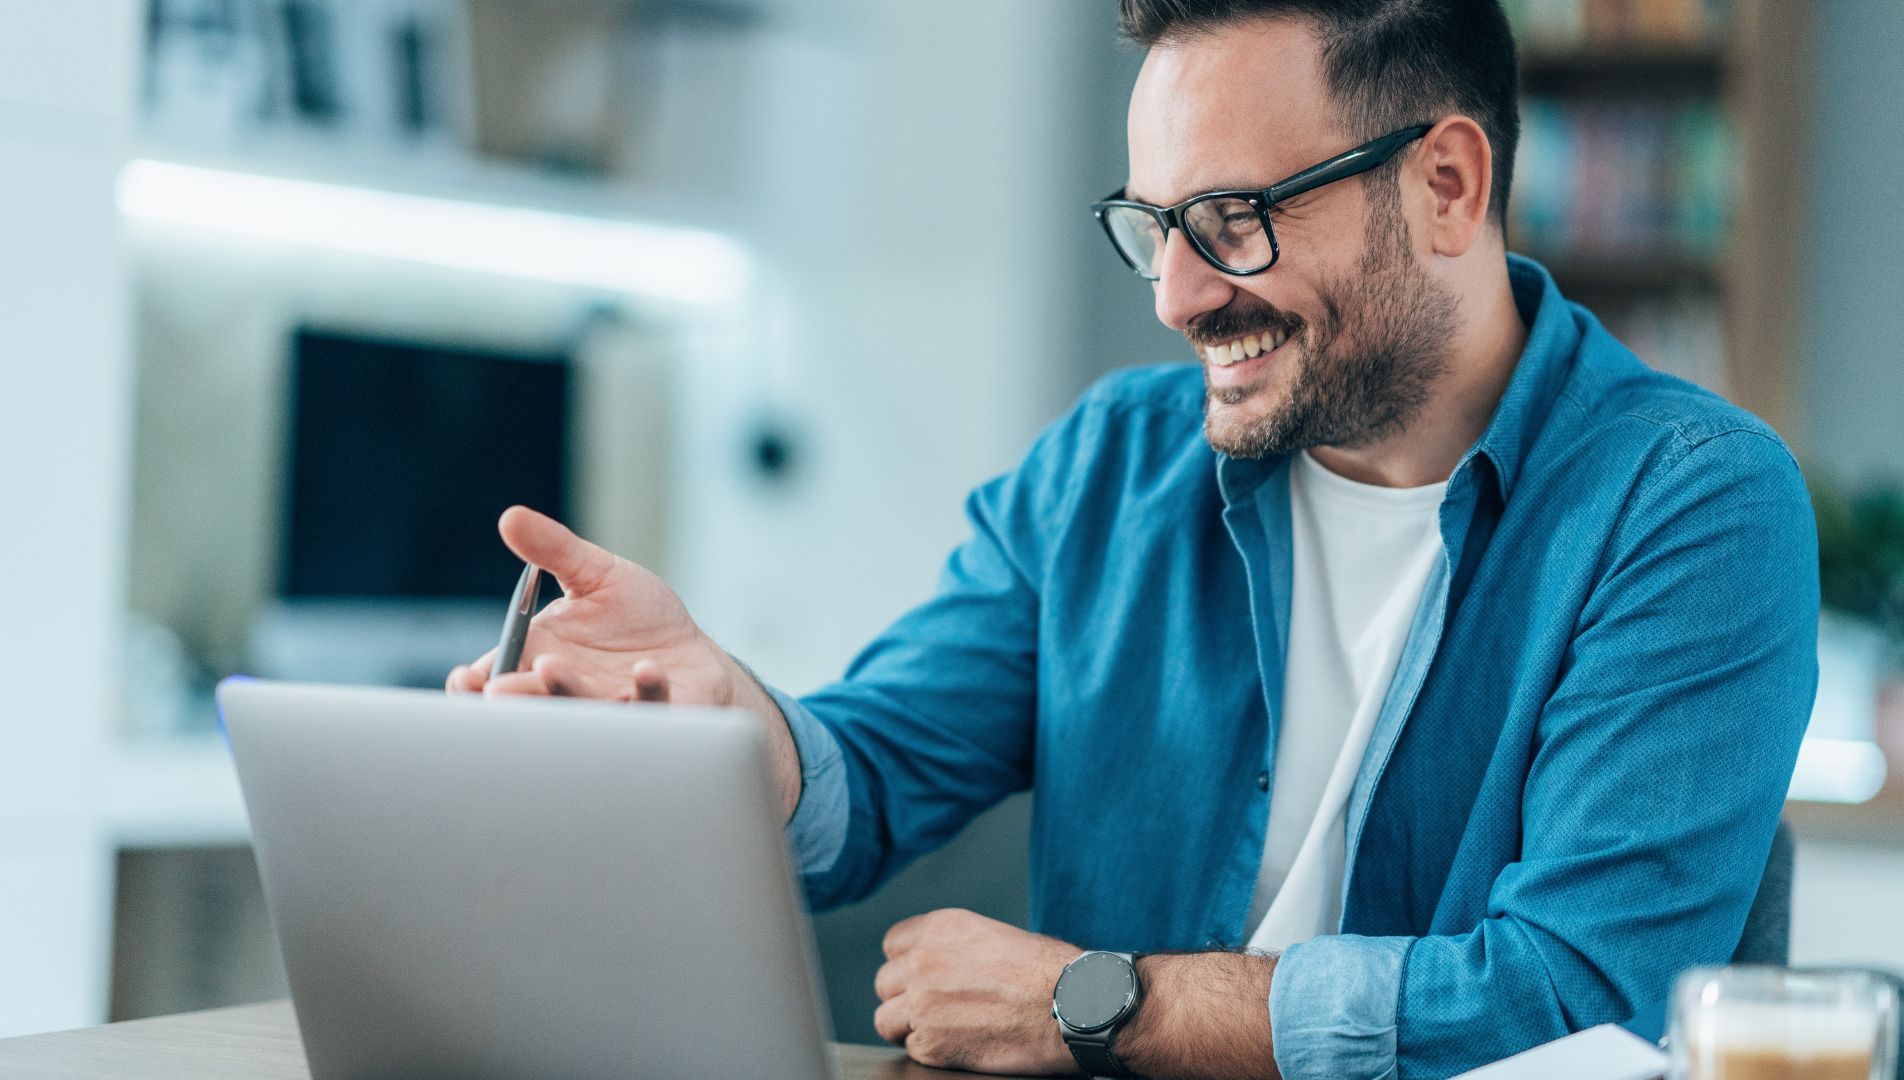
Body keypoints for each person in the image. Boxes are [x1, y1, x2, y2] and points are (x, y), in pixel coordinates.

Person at [449, 1, 1819, 1076]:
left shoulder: (1690, 504)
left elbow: (1577, 1002)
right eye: (1154, 225)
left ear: (1448, 184)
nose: (1174, 297)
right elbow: (865, 782)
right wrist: (719, 717)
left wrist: (1092, 1005)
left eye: (1231, 221)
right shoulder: (1106, 464)